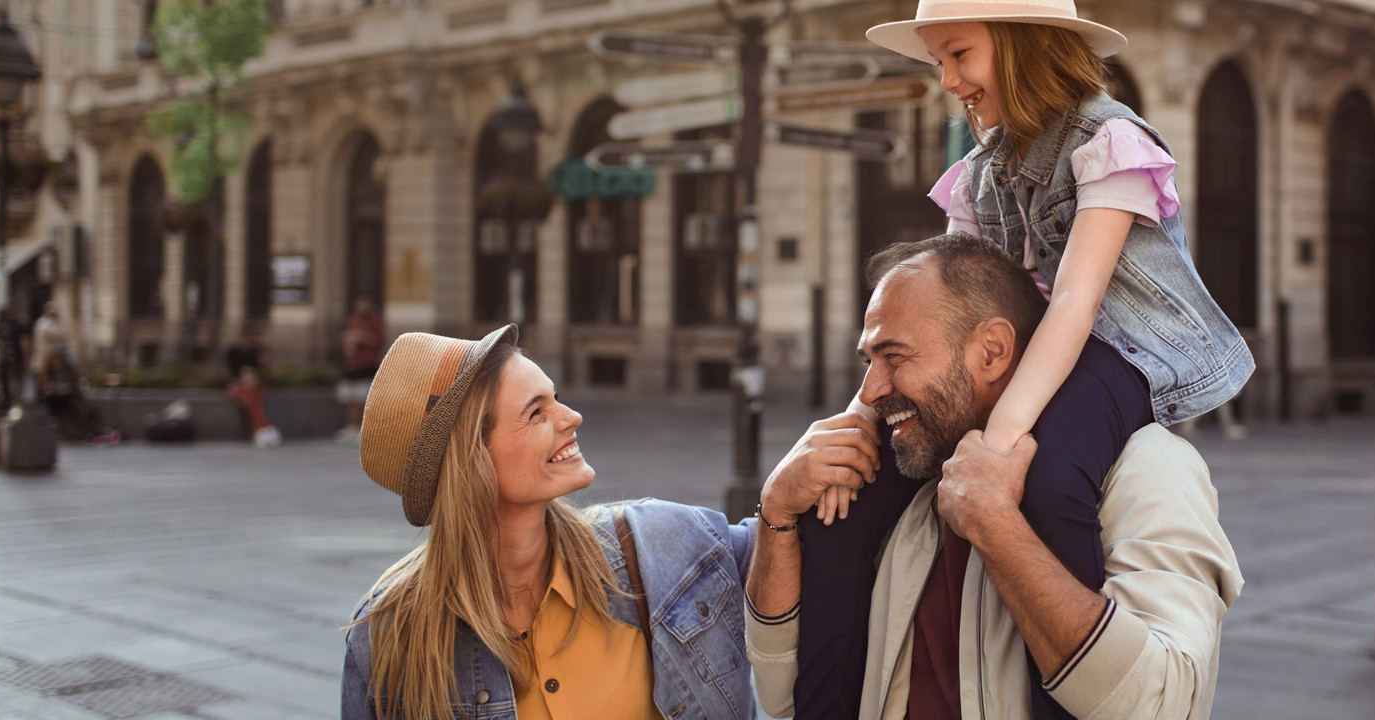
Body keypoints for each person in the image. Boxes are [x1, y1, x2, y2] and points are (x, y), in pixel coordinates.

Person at [797, 2, 1254, 717]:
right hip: (1040, 347)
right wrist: (856, 423)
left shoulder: (1109, 141)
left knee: (1052, 477)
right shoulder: (980, 172)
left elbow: (1075, 301)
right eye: (939, 62)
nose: (947, 81)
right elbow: (942, 295)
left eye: (958, 55)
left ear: (1022, 47)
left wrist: (998, 442)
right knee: (853, 495)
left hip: (1125, 350)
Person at [747, 235, 1244, 720]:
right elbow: (781, 694)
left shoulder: (1146, 467)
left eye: (894, 357)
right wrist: (777, 514)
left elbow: (1160, 705)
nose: (870, 391)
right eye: (868, 361)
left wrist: (994, 523)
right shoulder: (906, 481)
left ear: (992, 352)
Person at [341, 325, 857, 720]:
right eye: (536, 413)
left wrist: (779, 503)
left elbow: (794, 552)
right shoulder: (388, 637)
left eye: (555, 397)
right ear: (472, 463)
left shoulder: (660, 544)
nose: (572, 417)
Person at [31, 303, 120, 445]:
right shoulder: (46, 326)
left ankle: (76, 430)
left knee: (67, 404)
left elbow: (71, 385)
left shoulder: (64, 366)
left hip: (63, 392)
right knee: (51, 402)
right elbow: (61, 335)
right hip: (51, 388)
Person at [337, 296, 385, 444]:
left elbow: (379, 340)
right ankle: (352, 427)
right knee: (351, 398)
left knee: (364, 399)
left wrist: (362, 338)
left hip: (367, 365)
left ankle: (365, 429)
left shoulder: (374, 322)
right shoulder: (352, 320)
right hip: (352, 365)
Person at [226, 328, 280, 448]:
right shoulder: (234, 352)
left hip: (253, 385)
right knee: (252, 402)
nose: (251, 342)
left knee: (256, 402)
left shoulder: (255, 353)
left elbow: (262, 371)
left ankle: (261, 430)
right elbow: (230, 372)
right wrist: (242, 378)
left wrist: (262, 362)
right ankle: (263, 429)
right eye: (249, 339)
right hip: (239, 385)